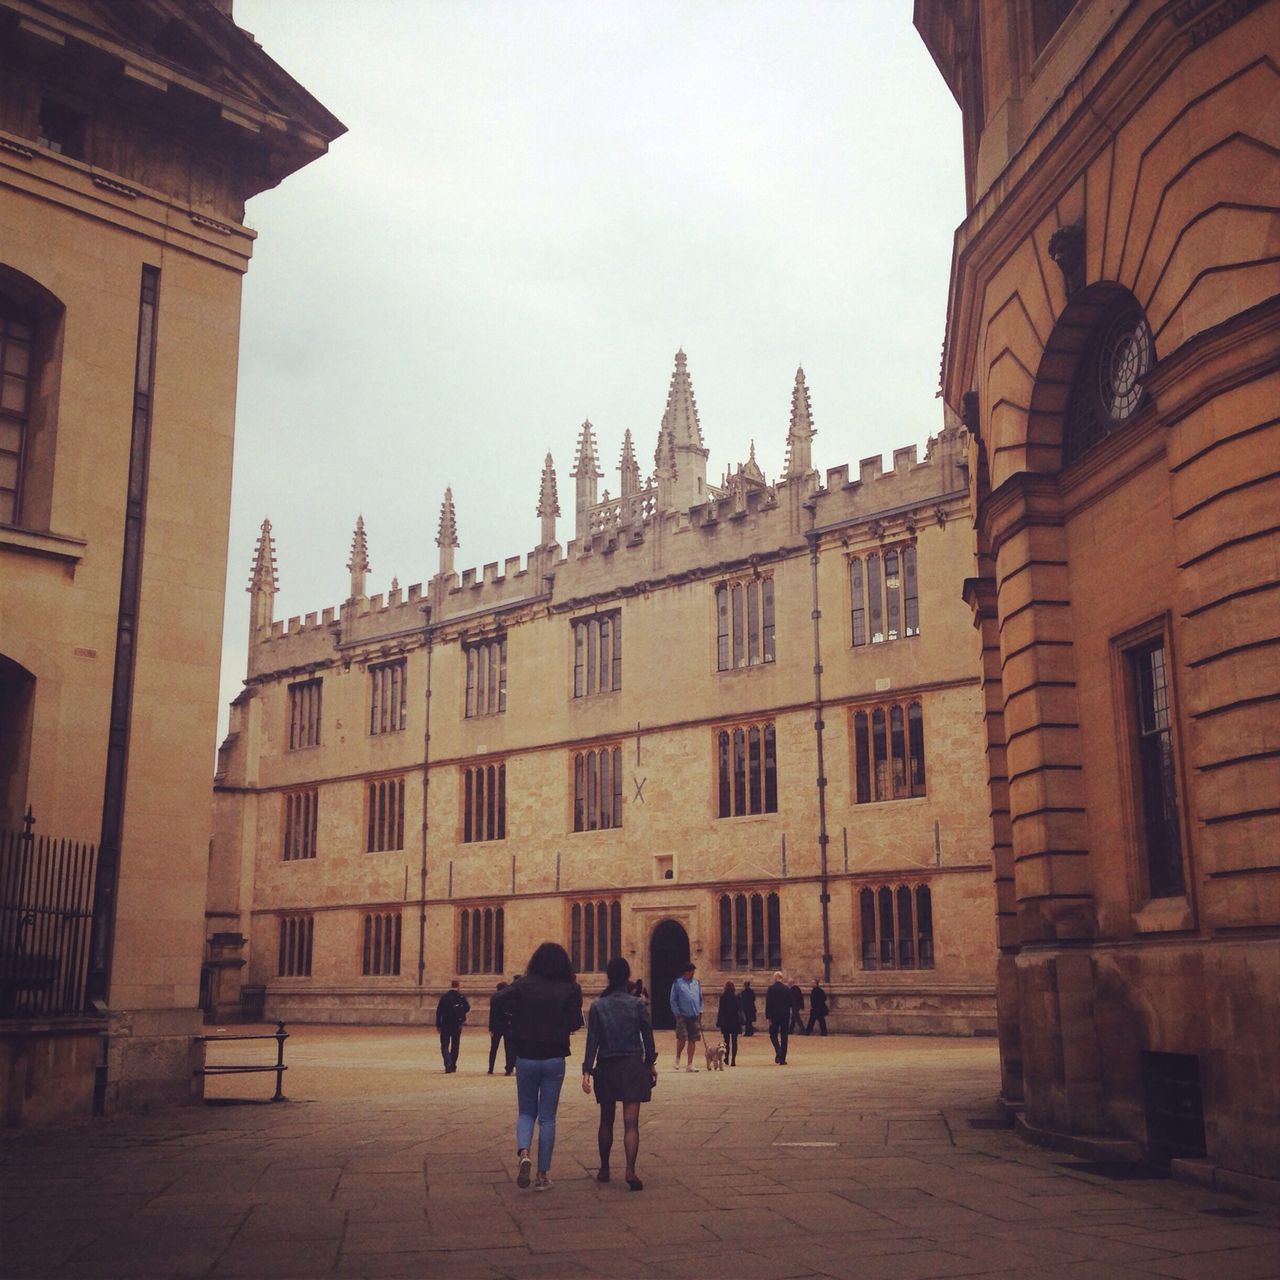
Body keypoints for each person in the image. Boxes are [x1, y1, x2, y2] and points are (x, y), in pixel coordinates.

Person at [491, 942, 583, 1192]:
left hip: (526, 1056)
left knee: (525, 1112)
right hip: (554, 1057)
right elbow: (576, 1022)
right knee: (548, 1118)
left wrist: (512, 1023)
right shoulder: (569, 988)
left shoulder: (523, 984)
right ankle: (542, 1175)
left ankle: (524, 1153)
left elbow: (498, 999)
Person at [582, 956, 658, 1191]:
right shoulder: (637, 1004)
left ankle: (604, 1169)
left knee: (606, 1119)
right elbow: (648, 1038)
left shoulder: (597, 1006)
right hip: (632, 1065)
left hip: (606, 1066)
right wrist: (651, 1064)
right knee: (631, 1123)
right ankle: (630, 1169)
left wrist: (586, 1070)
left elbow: (592, 1041)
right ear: (627, 977)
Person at [668, 962, 703, 1072]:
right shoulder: (678, 983)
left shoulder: (696, 983)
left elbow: (700, 999)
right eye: (691, 971)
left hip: (694, 1015)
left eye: (693, 971)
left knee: (693, 1039)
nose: (692, 973)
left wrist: (700, 1011)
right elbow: (673, 999)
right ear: (685, 972)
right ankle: (678, 1058)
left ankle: (690, 1064)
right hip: (682, 1015)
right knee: (682, 1038)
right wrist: (676, 1013)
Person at [434, 978, 469, 1073]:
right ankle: (453, 1064)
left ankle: (447, 1062)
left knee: (444, 1045)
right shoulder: (461, 997)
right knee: (455, 1045)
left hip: (445, 1023)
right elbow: (467, 1007)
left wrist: (438, 1024)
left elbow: (439, 1011)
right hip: (457, 1024)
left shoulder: (445, 997)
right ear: (458, 986)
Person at [488, 980, 516, 1074]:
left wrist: (491, 1027)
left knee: (493, 1048)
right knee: (509, 1048)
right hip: (507, 1025)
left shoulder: (494, 997)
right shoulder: (508, 997)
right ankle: (509, 1069)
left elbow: (492, 1013)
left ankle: (490, 1068)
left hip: (496, 1026)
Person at [765, 970, 790, 1065]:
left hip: (774, 1015)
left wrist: (768, 1016)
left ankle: (778, 1050)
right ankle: (782, 1059)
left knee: (773, 1034)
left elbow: (768, 1004)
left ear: (775, 978)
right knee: (784, 1036)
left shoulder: (771, 989)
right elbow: (791, 1002)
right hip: (784, 1016)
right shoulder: (786, 989)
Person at [716, 980, 742, 1066]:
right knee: (734, 1041)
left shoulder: (723, 997)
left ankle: (726, 1058)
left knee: (726, 1041)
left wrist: (719, 1022)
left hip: (726, 1021)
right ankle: (733, 1060)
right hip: (735, 1021)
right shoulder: (737, 997)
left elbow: (721, 1011)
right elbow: (739, 1009)